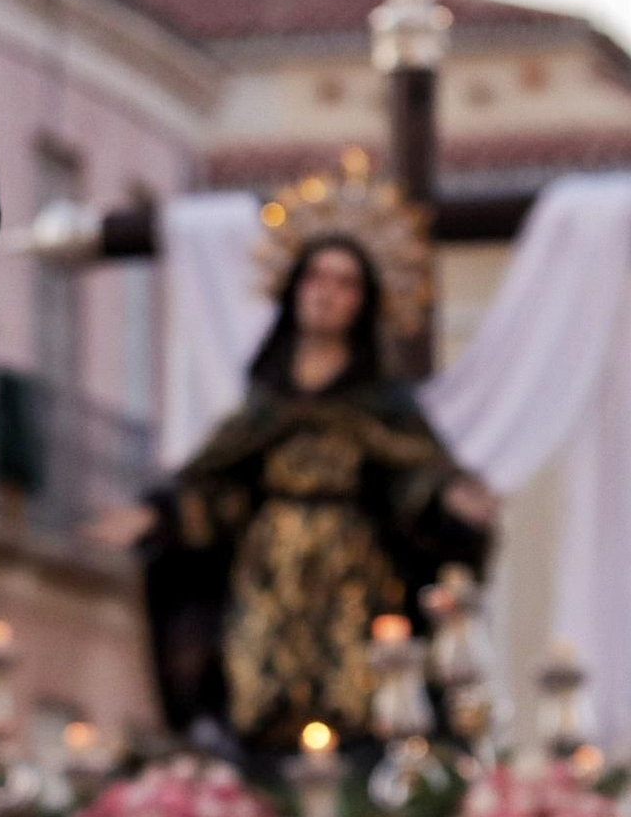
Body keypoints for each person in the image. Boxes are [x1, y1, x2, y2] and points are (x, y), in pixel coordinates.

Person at [93, 235, 496, 762]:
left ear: (364, 302)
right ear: (293, 291)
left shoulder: (382, 407)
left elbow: (413, 481)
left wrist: (448, 503)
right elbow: (220, 491)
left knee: (361, 706)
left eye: (345, 283)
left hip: (355, 581)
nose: (327, 294)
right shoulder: (262, 407)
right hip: (267, 579)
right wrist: (161, 516)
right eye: (316, 278)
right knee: (257, 704)